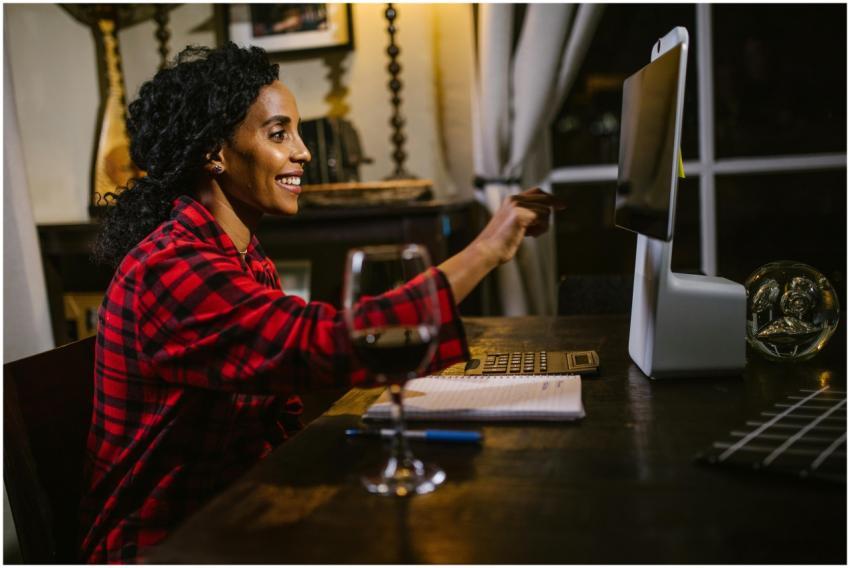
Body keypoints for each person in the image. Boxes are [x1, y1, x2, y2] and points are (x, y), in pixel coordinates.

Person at [81, 42, 564, 563]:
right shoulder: (169, 268)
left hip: (237, 515)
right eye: (278, 133)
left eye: (297, 132)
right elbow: (323, 342)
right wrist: (487, 250)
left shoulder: (238, 256)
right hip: (165, 546)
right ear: (213, 153)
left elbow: (288, 388)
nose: (303, 152)